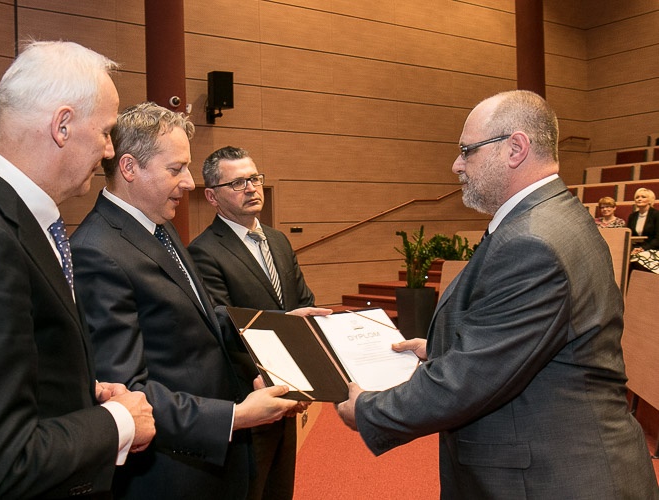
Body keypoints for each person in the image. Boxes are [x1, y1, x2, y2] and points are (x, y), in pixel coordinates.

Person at [336, 90, 659, 498]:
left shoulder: (533, 240)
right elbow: (517, 338)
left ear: (515, 148)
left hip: (555, 479)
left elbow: (471, 379)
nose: (456, 165)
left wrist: (369, 411)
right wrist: (439, 350)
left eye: (466, 151)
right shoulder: (552, 214)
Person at [0, 41, 155, 498]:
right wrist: (119, 421)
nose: (108, 151)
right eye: (105, 132)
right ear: (62, 125)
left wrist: (79, 392)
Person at [71, 102, 308, 499]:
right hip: (170, 472)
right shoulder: (97, 251)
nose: (187, 183)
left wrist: (277, 328)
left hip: (208, 462)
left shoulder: (156, 227)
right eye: (175, 169)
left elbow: (203, 319)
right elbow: (127, 391)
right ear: (129, 168)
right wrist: (234, 416)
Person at [188, 146, 320, 500]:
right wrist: (284, 327)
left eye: (254, 178)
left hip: (287, 393)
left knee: (280, 490)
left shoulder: (278, 240)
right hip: (247, 398)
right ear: (212, 197)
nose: (251, 188)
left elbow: (303, 304)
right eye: (238, 183)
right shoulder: (203, 251)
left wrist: (301, 382)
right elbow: (223, 327)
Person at [627, 187, 659, 273]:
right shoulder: (632, 216)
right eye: (637, 197)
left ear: (650, 200)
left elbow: (657, 239)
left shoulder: (656, 215)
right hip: (635, 250)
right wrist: (633, 249)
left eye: (643, 197)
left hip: (653, 249)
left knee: (637, 260)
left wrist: (643, 248)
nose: (639, 199)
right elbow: (629, 237)